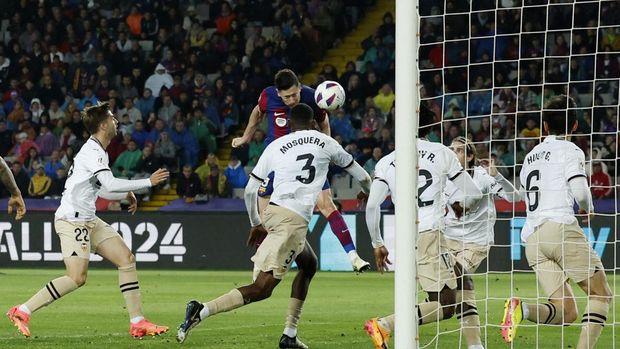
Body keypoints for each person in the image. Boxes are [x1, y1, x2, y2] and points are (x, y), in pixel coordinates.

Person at [177, 103, 372, 347]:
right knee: (262, 289)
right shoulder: (326, 142)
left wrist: (256, 223)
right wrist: (366, 192)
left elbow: (250, 191)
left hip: (272, 211)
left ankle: (289, 334)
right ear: (313, 123)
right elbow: (363, 177)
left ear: (289, 125)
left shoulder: (276, 146)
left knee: (309, 264)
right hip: (293, 220)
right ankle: (201, 310)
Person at [7, 102, 170, 338]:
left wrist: (126, 193)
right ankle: (22, 310)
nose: (116, 121)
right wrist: (147, 183)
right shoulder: (92, 152)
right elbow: (110, 184)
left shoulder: (98, 151)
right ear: (104, 125)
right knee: (76, 277)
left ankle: (138, 322)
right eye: (113, 118)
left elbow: (102, 190)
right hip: (72, 221)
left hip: (88, 218)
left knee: (126, 259)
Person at [364, 104, 483, 349]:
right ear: (429, 125)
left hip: (406, 236)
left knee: (463, 280)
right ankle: (384, 325)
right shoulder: (442, 152)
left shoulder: (387, 162)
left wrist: (377, 244)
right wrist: (456, 201)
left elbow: (372, 207)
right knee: (446, 304)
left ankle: (475, 345)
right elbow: (472, 190)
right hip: (430, 234)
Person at [231, 68, 370, 272]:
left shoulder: (314, 96)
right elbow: (257, 113)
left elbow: (324, 122)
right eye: (287, 96)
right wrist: (246, 137)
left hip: (306, 157)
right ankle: (262, 267)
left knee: (326, 204)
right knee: (266, 214)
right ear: (278, 93)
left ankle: (354, 256)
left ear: (299, 87)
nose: (292, 99)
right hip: (277, 161)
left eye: (295, 94)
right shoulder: (267, 96)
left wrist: (326, 147)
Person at [501, 95, 613, 348]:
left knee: (567, 313)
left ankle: (523, 310)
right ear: (574, 126)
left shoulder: (530, 156)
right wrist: (589, 208)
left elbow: (519, 195)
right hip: (559, 229)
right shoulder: (570, 150)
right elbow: (582, 193)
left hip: (532, 239)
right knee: (601, 293)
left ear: (545, 126)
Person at [442, 136, 520, 349]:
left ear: (469, 156)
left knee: (456, 283)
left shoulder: (483, 177)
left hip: (475, 243)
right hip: (448, 240)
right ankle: (474, 344)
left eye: (458, 150)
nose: (453, 153)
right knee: (451, 291)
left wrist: (498, 176)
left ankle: (474, 344)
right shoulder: (443, 178)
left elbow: (515, 197)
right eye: (451, 149)